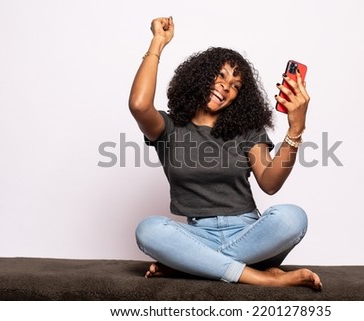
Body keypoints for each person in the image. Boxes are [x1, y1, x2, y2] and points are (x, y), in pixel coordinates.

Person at [129, 16, 322, 290]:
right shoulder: (169, 128)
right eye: (220, 75)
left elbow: (269, 183)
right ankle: (259, 277)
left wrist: (296, 127)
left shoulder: (246, 131)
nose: (226, 86)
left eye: (235, 85)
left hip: (251, 235)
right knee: (148, 231)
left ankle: (194, 266)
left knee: (293, 217)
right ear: (200, 75)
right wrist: (158, 42)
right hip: (197, 235)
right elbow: (138, 105)